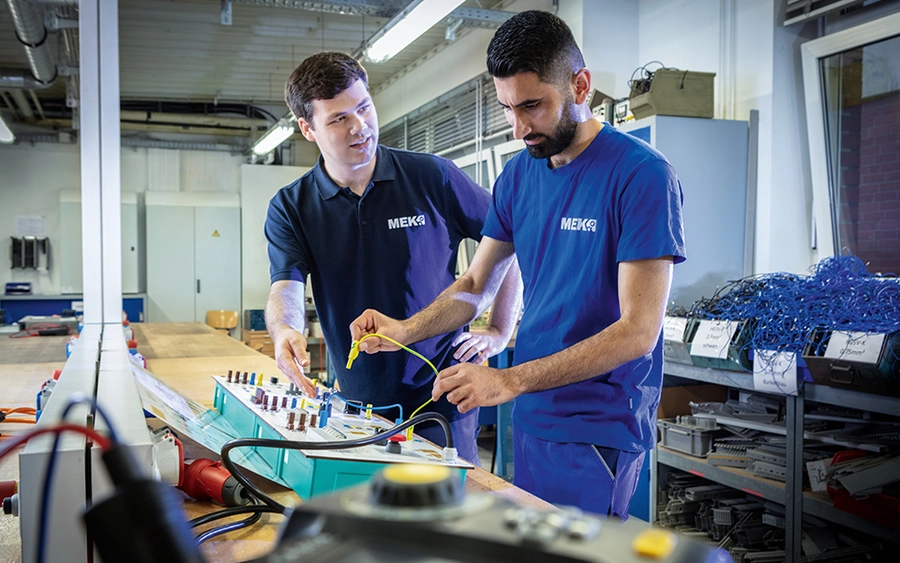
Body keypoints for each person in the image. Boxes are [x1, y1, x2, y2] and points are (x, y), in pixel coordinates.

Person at [350, 11, 686, 517]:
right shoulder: (516, 177)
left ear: (580, 85)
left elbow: (638, 330)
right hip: (528, 418)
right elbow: (476, 283)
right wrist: (405, 329)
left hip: (597, 428)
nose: (519, 127)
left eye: (533, 105)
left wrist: (508, 380)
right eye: (507, 108)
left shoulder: (641, 175)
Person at [264, 52, 522, 465]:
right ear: (307, 129)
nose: (359, 126)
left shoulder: (433, 177)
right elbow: (285, 288)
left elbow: (507, 242)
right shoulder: (292, 207)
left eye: (364, 107)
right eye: (338, 119)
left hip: (443, 400)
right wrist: (284, 331)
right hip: (355, 406)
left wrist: (499, 329)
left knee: (449, 503)